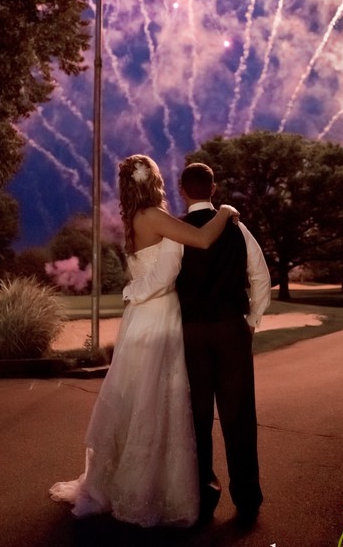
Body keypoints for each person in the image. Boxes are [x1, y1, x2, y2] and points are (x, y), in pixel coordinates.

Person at [49, 154, 239, 528]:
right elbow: (200, 239)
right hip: (157, 316)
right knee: (155, 400)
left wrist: (133, 293)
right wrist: (226, 211)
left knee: (141, 399)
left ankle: (128, 482)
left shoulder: (135, 218)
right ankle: (143, 490)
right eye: (158, 176)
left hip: (144, 319)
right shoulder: (152, 216)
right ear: (153, 181)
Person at [175, 162, 271, 527]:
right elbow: (260, 277)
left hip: (192, 334)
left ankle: (204, 498)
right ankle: (247, 499)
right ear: (213, 189)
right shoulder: (236, 228)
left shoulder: (176, 231)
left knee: (196, 420)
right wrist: (251, 321)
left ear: (183, 190)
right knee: (240, 417)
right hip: (231, 330)